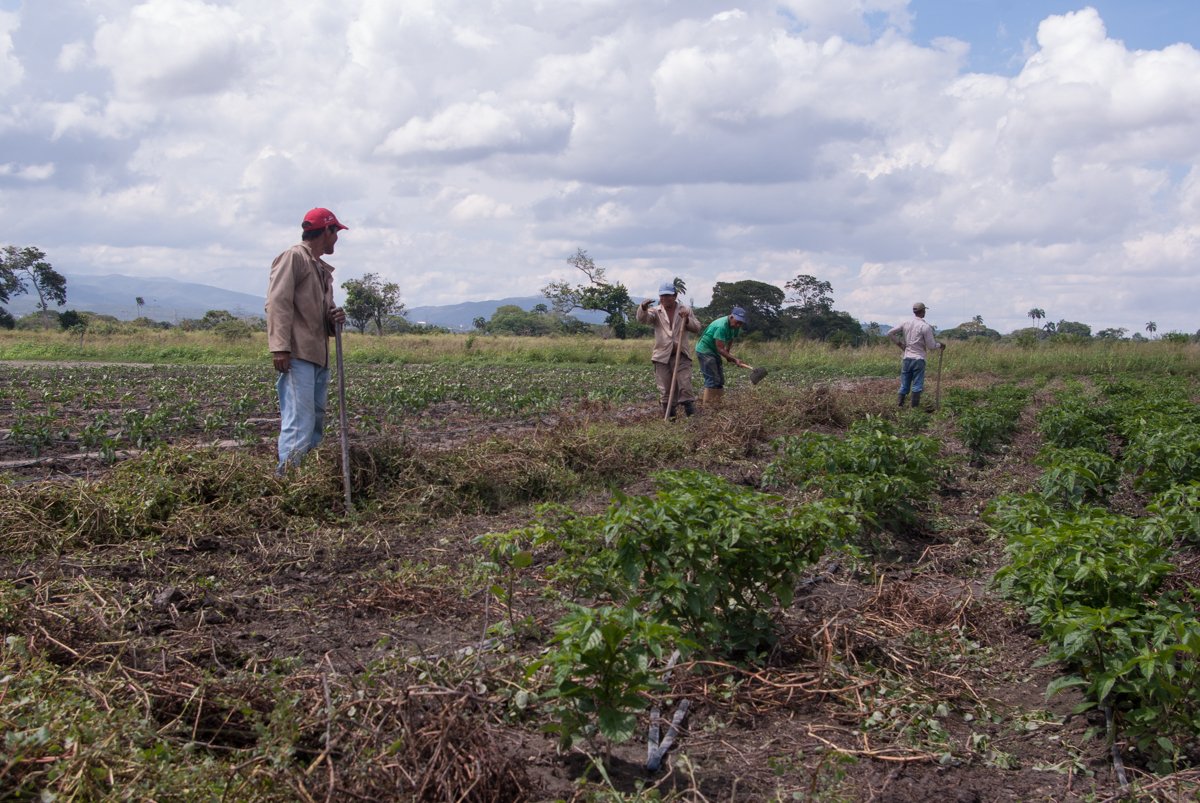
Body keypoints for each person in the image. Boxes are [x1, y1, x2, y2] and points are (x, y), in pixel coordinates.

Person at [265, 207, 348, 473]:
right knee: (299, 422)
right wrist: (280, 348)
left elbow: (321, 314)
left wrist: (335, 318)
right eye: (336, 233)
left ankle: (308, 476)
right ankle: (288, 480)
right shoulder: (294, 257)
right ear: (327, 230)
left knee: (314, 422)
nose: (337, 239)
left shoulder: (321, 270)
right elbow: (278, 303)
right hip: (298, 354)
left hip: (318, 355)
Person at [636, 281, 702, 418]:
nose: (664, 299)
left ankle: (693, 420)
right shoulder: (655, 311)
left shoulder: (685, 309)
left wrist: (687, 319)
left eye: (668, 296)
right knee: (665, 389)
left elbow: (697, 328)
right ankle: (670, 421)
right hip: (662, 356)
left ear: (675, 295)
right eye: (662, 296)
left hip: (681, 355)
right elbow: (643, 319)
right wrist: (642, 307)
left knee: (685, 386)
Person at [887, 301, 945, 409]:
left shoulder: (906, 323)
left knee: (904, 385)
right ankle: (914, 410)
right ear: (923, 312)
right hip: (919, 359)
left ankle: (899, 407)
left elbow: (890, 333)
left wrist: (900, 345)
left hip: (907, 358)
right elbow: (931, 346)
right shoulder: (925, 326)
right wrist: (940, 345)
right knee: (917, 385)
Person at [693, 306, 750, 408]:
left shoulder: (735, 326)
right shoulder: (721, 326)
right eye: (737, 322)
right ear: (732, 316)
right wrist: (734, 359)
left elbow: (731, 338)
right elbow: (720, 349)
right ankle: (708, 408)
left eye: (741, 323)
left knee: (720, 380)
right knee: (712, 379)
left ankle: (717, 406)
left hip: (714, 351)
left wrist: (728, 353)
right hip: (705, 350)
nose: (738, 325)